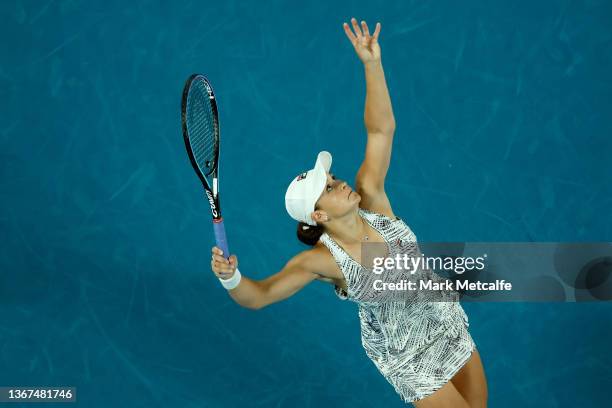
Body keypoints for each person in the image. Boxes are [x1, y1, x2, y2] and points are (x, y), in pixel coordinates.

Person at [211, 17, 488, 407]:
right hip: (408, 357)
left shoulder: (372, 199)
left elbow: (381, 131)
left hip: (444, 324)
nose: (341, 184)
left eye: (334, 178)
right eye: (328, 189)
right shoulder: (324, 261)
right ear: (318, 216)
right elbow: (260, 296)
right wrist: (231, 276)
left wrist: (371, 65)